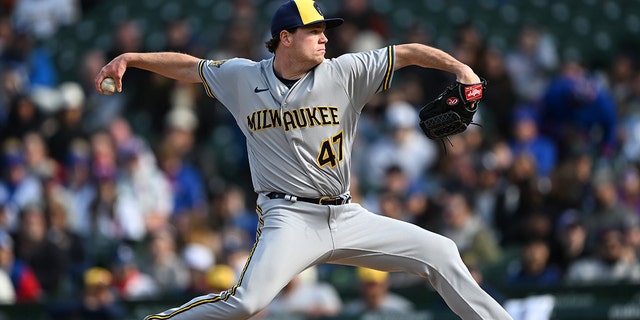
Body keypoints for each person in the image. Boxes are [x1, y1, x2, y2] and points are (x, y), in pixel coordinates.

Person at [94, 1, 513, 319]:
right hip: (287, 217)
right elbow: (190, 68)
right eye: (314, 30)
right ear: (285, 38)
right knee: (246, 303)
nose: (325, 37)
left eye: (325, 30)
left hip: (346, 214)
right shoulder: (243, 77)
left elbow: (407, 52)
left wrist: (462, 68)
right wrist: (132, 59)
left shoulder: (345, 71)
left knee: (440, 252)